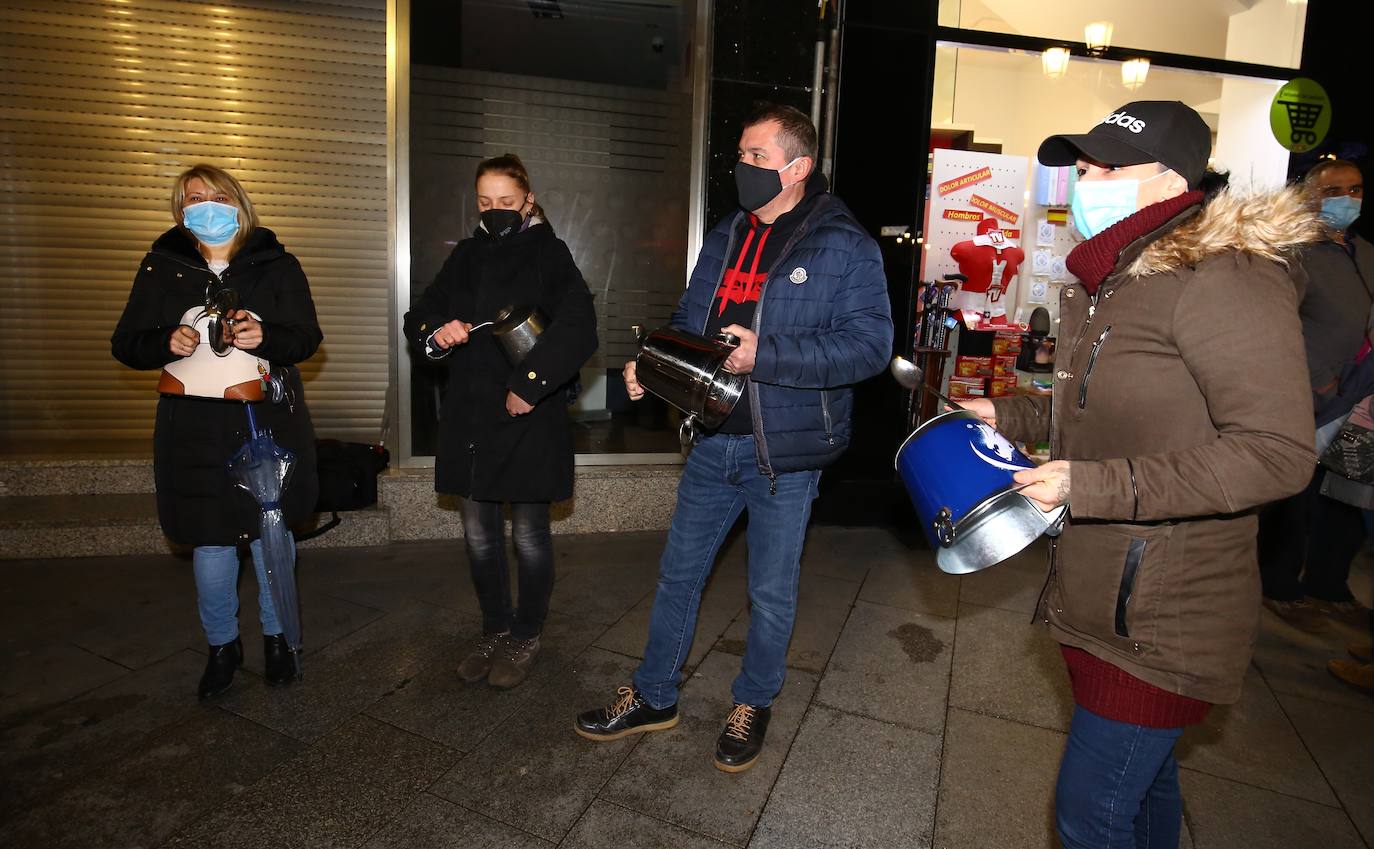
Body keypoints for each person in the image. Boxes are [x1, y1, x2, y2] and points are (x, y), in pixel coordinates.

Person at [962, 101, 1320, 848]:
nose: (1085, 180)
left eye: (1104, 167)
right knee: (1148, 787)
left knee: (1088, 814)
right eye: (1083, 166)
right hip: (1100, 589)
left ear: (1169, 181)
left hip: (1164, 612)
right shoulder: (1117, 282)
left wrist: (1089, 487)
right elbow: (1096, 409)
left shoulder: (1227, 279)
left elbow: (1277, 451)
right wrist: (1006, 416)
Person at [573, 103, 892, 773]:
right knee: (678, 576)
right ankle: (656, 695)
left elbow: (869, 348)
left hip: (784, 451)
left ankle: (754, 699)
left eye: (755, 157)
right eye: (741, 155)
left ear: (797, 168)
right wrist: (651, 366)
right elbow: (690, 320)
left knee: (771, 591)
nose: (739, 167)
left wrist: (764, 355)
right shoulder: (726, 234)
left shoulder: (844, 244)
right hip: (713, 436)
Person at [112, 164, 322, 699]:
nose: (205, 204)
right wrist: (167, 341)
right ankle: (222, 646)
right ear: (180, 210)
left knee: (270, 531)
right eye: (192, 197)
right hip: (194, 426)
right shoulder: (163, 266)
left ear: (238, 202)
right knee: (210, 541)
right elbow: (127, 343)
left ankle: (279, 639)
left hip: (263, 418)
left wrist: (266, 334)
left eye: (216, 195)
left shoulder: (276, 263)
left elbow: (306, 338)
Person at [403, 154, 597, 690]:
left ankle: (526, 633)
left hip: (528, 414)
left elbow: (580, 326)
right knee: (479, 535)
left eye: (506, 203)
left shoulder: (549, 253)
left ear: (527, 200)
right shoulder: (465, 256)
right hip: (470, 416)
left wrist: (529, 386)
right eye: (485, 203)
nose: (495, 212)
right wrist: (438, 331)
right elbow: (419, 316)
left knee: (530, 536)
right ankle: (494, 628)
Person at [1258, 158, 1374, 631]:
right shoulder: (1294, 252)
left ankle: (1330, 582)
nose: (1347, 199)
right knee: (1294, 491)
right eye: (1334, 191)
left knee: (1349, 489)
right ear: (1308, 196)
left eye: (1356, 189)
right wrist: (1315, 376)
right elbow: (1276, 323)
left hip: (1361, 395)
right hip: (1310, 391)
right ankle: (1278, 583)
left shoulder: (1364, 252)